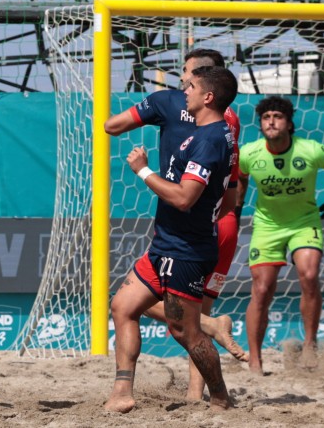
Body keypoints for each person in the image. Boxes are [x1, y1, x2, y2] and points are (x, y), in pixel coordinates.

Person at [104, 49, 246, 403]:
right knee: (122, 306)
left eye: (190, 84)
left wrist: (142, 170)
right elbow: (229, 193)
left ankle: (220, 397)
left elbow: (183, 198)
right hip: (168, 241)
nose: (184, 88)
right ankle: (122, 391)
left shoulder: (209, 139)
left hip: (185, 250)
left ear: (208, 96)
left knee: (186, 332)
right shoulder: (219, 129)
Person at [237, 96, 324, 374]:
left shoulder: (310, 150)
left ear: (289, 124)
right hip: (267, 225)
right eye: (266, 117)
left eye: (277, 116)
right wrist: (237, 207)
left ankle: (310, 345)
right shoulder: (249, 153)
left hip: (304, 222)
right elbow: (239, 176)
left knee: (309, 275)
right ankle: (255, 360)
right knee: (262, 289)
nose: (271, 121)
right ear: (260, 124)